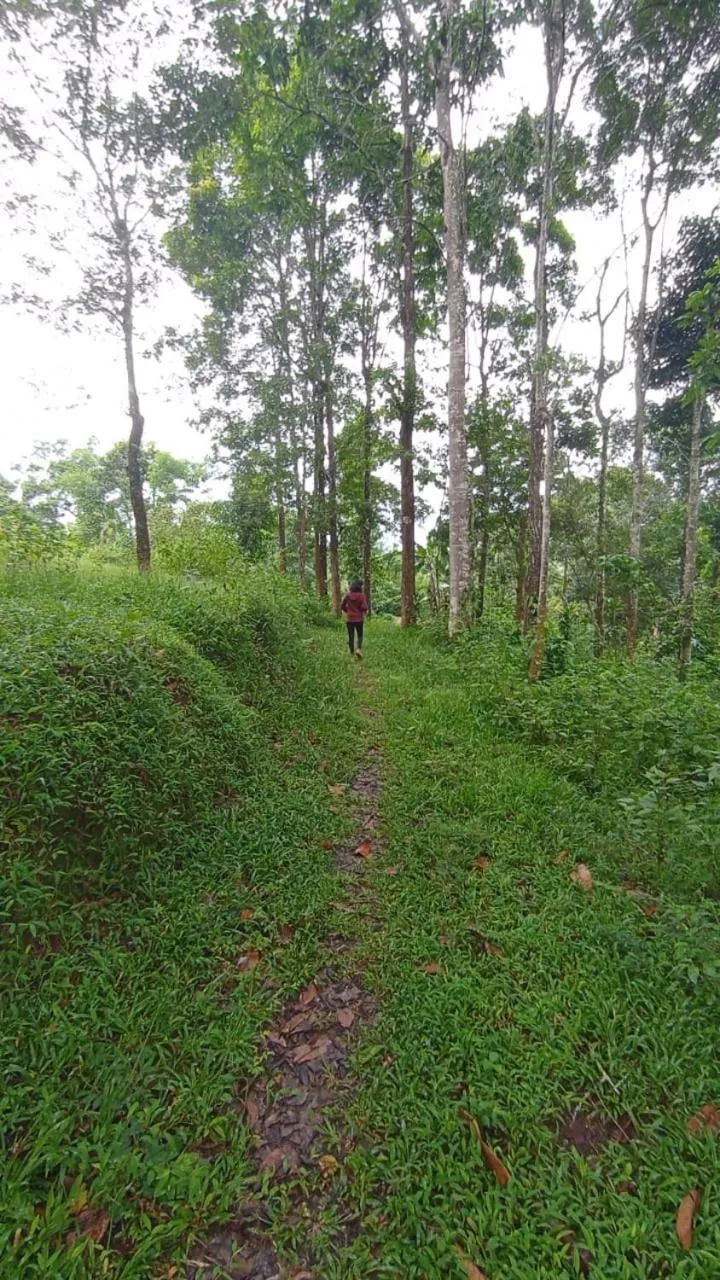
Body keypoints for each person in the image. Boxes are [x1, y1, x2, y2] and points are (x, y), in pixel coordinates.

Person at [341, 579, 369, 659]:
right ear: (359, 586)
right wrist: (361, 610)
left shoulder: (348, 595)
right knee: (360, 635)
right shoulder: (361, 595)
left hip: (349, 619)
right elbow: (364, 607)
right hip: (359, 619)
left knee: (351, 636)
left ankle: (352, 653)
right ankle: (358, 649)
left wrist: (348, 611)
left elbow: (342, 605)